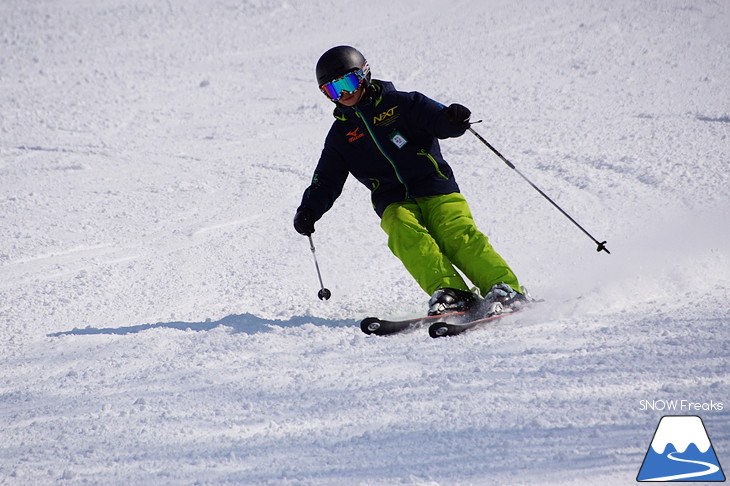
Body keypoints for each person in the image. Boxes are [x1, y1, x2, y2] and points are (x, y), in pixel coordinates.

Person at [294, 45, 527, 315]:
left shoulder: (403, 104)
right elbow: (326, 178)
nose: (344, 94)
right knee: (404, 233)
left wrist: (452, 119)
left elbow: (438, 120)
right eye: (333, 90)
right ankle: (452, 293)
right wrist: (310, 208)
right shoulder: (341, 136)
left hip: (436, 187)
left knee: (456, 234)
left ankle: (504, 288)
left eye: (347, 82)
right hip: (392, 199)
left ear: (364, 75)